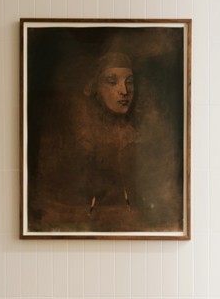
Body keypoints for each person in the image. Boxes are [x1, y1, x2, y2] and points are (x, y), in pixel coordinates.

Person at [28, 49, 183, 234]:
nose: (124, 91)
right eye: (112, 81)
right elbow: (50, 205)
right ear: (94, 87)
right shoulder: (74, 137)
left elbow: (163, 202)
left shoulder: (142, 137)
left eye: (129, 82)